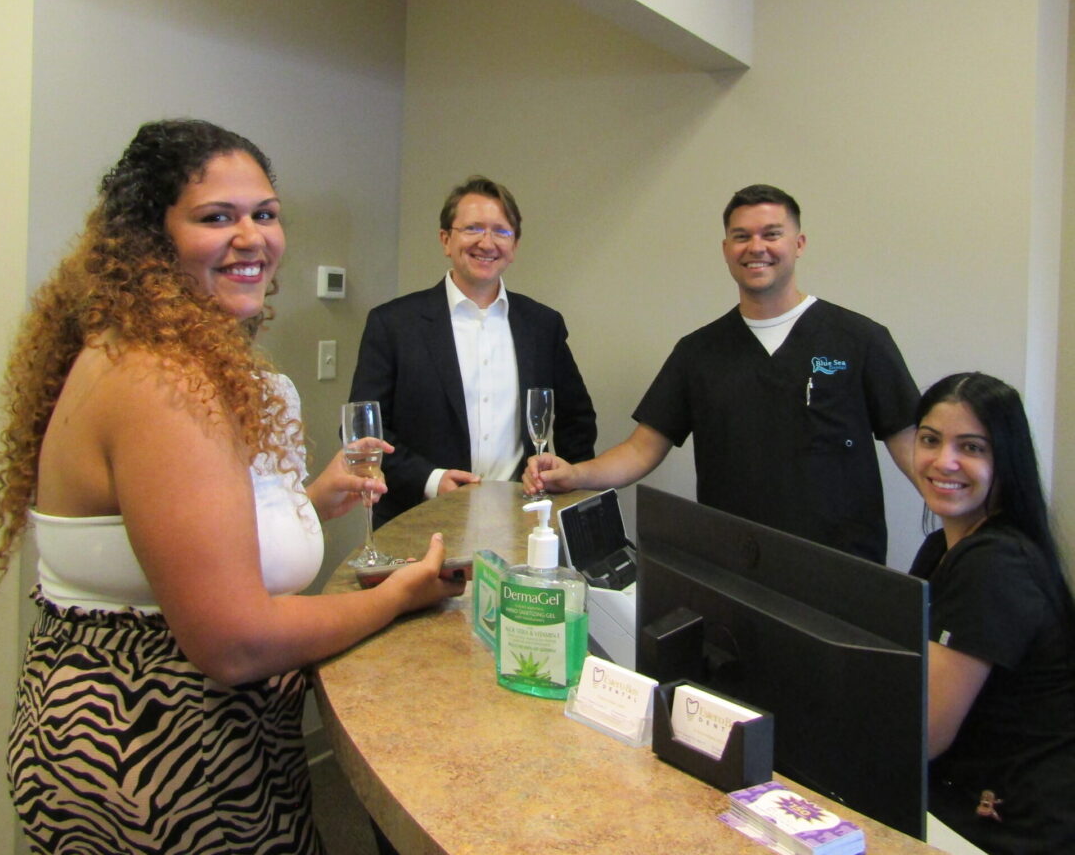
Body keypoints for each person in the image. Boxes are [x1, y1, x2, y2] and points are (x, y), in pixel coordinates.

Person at [0, 120, 464, 855]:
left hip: (194, 744)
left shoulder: (167, 353)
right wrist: (394, 597)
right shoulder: (159, 379)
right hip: (154, 757)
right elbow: (236, 642)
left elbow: (179, 545)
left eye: (265, 214)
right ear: (150, 239)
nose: (253, 237)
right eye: (217, 217)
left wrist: (308, 502)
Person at [525, 183, 917, 563]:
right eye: (741, 236)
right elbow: (639, 449)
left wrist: (968, 517)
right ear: (727, 250)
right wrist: (575, 474)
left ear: (799, 244)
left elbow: (913, 447)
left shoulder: (859, 340)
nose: (756, 247)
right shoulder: (699, 353)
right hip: (734, 565)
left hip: (842, 568)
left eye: (772, 234)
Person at [349, 175, 597, 525]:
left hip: (519, 517)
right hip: (418, 519)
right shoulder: (393, 324)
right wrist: (431, 480)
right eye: (473, 229)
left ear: (515, 246)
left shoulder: (543, 326)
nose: (487, 242)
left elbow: (577, 419)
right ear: (445, 240)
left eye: (501, 231)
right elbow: (363, 431)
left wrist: (571, 489)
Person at [907, 373, 1075, 854]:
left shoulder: (995, 566)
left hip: (1010, 828)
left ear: (1006, 458)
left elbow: (924, 736)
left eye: (972, 447)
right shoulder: (941, 548)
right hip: (963, 802)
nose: (945, 462)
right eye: (930, 440)